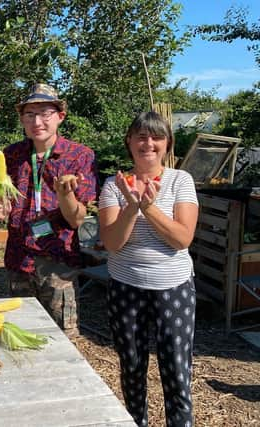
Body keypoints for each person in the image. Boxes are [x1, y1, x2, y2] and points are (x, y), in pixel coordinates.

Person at [98, 111, 199, 427]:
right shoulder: (114, 185)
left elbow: (182, 238)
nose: (148, 143)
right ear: (129, 141)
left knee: (177, 368)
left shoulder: (180, 180)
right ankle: (135, 421)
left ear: (168, 143)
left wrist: (149, 207)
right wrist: (131, 206)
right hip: (125, 288)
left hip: (174, 288)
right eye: (141, 136)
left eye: (156, 137)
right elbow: (113, 243)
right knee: (131, 366)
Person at [0, 83, 97, 336]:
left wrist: (66, 194)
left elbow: (77, 220)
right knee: (21, 335)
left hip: (58, 263)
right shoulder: (11, 154)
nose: (37, 121)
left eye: (45, 113)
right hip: (19, 259)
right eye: (30, 114)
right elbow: (5, 201)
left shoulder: (79, 156)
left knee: (61, 339)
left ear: (60, 116)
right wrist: (1, 209)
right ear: (22, 119)